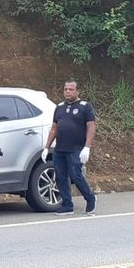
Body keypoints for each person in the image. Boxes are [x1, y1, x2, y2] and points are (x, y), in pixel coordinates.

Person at [42, 80, 98, 216]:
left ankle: (90, 197)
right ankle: (67, 205)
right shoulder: (59, 107)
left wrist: (87, 147)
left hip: (76, 148)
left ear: (77, 91)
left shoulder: (85, 107)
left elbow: (91, 127)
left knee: (75, 175)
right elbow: (54, 129)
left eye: (71, 89)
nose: (67, 91)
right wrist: (46, 147)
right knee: (60, 177)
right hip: (60, 148)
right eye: (66, 89)